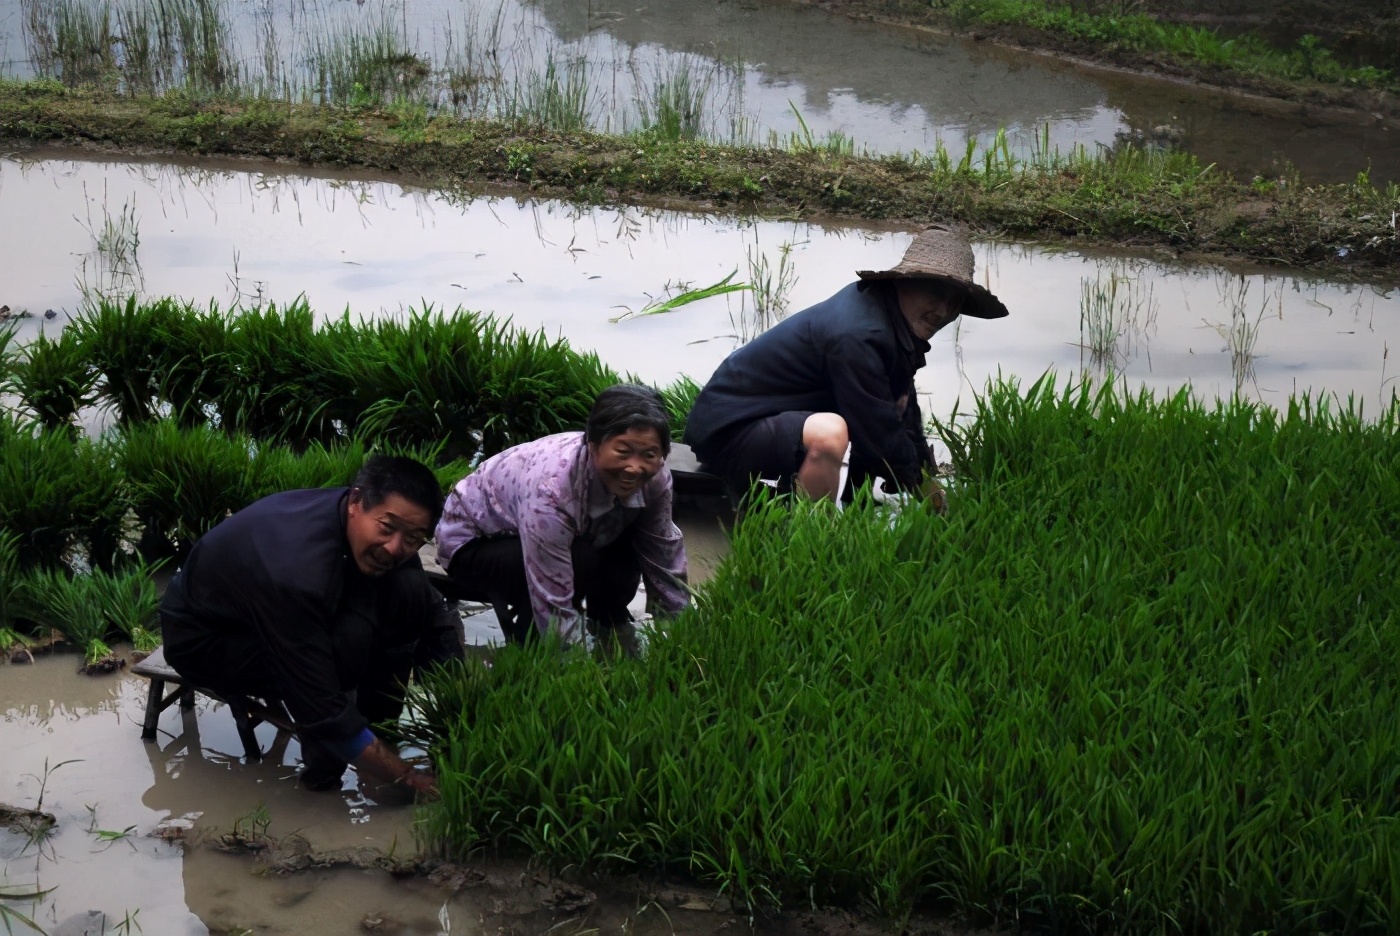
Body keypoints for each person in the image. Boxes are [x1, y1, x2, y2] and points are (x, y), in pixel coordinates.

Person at [158, 455, 464, 796]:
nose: (395, 548)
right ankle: (322, 782)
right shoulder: (295, 573)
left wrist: (456, 724)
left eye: (413, 539)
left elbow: (432, 617)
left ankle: (380, 735)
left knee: (413, 595)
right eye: (387, 528)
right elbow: (322, 704)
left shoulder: (377, 536)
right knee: (343, 651)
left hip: (273, 605)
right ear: (356, 502)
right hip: (205, 636)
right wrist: (410, 780)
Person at [684, 225, 1010, 503]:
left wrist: (921, 474)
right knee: (831, 434)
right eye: (935, 292)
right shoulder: (859, 335)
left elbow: (899, 416)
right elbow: (878, 431)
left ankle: (842, 516)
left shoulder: (890, 324)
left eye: (954, 302)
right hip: (730, 433)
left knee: (880, 419)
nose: (943, 310)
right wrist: (922, 488)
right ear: (904, 281)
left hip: (775, 420)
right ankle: (814, 537)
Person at [436, 384, 689, 650]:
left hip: (560, 531)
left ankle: (607, 619)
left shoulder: (657, 479)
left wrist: (681, 636)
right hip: (474, 543)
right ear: (592, 445)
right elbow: (553, 600)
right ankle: (531, 649)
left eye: (649, 455)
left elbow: (662, 551)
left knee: (633, 533)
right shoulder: (552, 488)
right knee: (580, 559)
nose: (634, 468)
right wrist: (577, 672)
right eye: (623, 452)